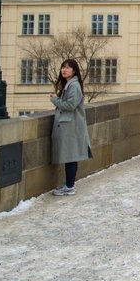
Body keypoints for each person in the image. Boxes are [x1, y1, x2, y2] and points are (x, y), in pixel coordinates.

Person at [49, 59, 93, 195]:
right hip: (70, 125)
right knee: (70, 156)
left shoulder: (73, 85)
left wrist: (55, 100)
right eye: (63, 67)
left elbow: (70, 105)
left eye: (68, 68)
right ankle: (69, 184)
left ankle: (69, 186)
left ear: (74, 71)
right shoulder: (71, 84)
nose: (64, 70)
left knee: (71, 156)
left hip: (71, 126)